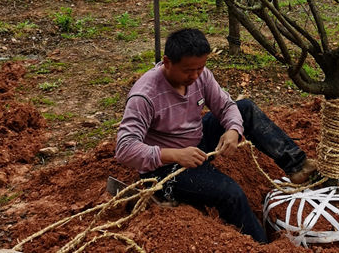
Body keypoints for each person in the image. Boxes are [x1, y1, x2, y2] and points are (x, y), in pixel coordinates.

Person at [115, 28, 317, 243]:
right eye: (188, 70)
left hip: (196, 144)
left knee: (245, 108)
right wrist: (175, 155)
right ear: (167, 62)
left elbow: (227, 106)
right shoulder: (145, 95)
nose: (194, 76)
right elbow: (125, 148)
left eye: (200, 68)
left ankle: (297, 166)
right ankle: (261, 246)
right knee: (230, 193)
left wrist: (233, 130)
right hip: (166, 168)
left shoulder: (201, 76)